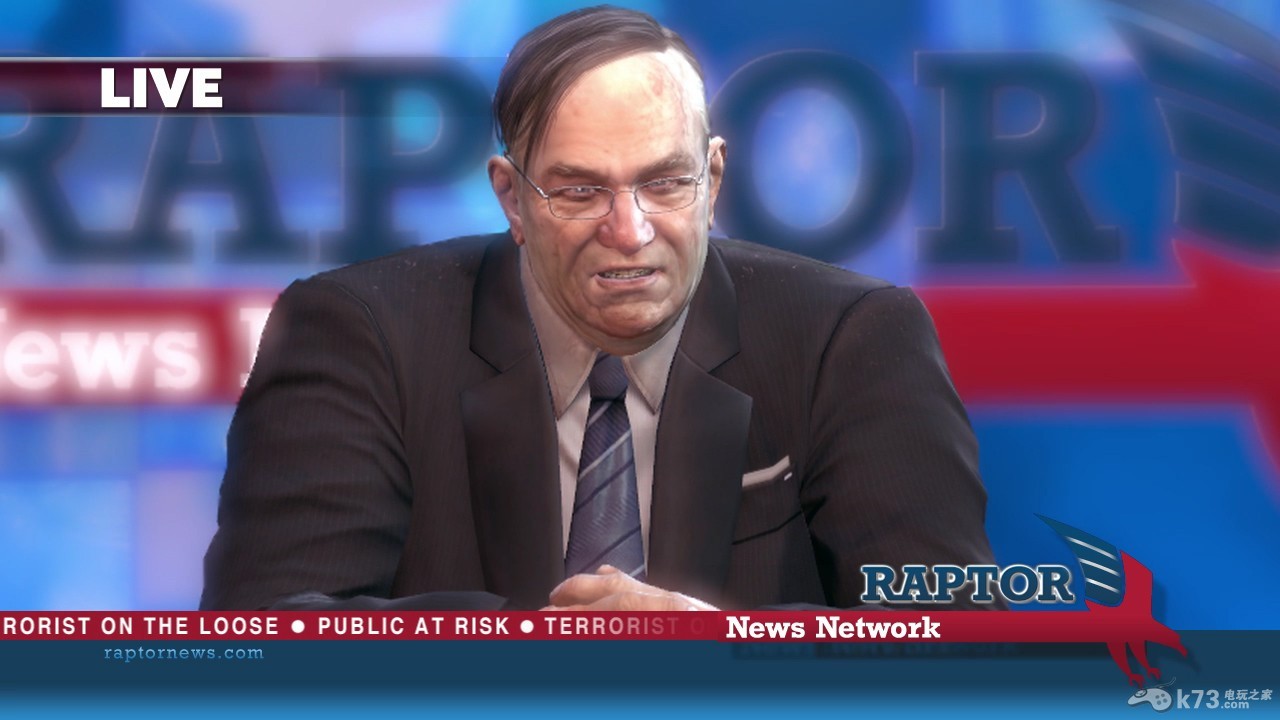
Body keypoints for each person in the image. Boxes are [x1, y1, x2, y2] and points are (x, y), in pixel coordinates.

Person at [201, 5, 998, 612]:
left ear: (713, 181)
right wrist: (546, 655)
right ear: (512, 199)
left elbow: (957, 648)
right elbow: (266, 639)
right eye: (581, 192)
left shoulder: (851, 340)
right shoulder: (354, 335)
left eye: (665, 183)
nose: (630, 231)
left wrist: (723, 651)